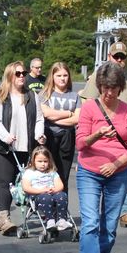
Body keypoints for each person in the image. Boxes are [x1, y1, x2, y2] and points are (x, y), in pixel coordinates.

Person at [76, 62, 127, 253]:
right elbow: (80, 143)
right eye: (104, 87)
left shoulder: (126, 111)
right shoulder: (90, 109)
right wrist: (96, 134)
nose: (108, 93)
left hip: (118, 173)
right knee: (91, 223)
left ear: (120, 87)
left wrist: (116, 163)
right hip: (89, 172)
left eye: (113, 88)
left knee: (110, 227)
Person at [81, 42, 127, 228]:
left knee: (126, 170)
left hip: (124, 136)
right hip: (99, 139)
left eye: (122, 57)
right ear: (109, 56)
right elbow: (86, 105)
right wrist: (90, 138)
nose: (119, 60)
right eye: (116, 56)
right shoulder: (99, 76)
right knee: (92, 221)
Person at [0, 60, 46, 235]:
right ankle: (4, 218)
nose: (22, 76)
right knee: (6, 182)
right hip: (2, 147)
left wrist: (38, 135)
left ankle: (33, 215)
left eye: (24, 73)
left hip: (24, 147)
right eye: (18, 73)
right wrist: (6, 136)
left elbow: (39, 119)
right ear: (10, 76)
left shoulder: (32, 95)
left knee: (22, 184)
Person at [39, 61, 80, 190]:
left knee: (63, 175)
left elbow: (77, 118)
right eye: (59, 75)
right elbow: (46, 113)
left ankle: (61, 205)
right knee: (47, 172)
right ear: (53, 77)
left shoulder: (74, 96)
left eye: (65, 75)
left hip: (67, 137)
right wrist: (68, 113)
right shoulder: (45, 94)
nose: (62, 78)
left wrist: (54, 118)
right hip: (49, 136)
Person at [21, 146, 73, 234]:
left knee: (62, 195)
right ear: (33, 161)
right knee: (46, 197)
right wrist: (41, 191)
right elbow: (26, 188)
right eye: (40, 161)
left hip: (52, 193)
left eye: (45, 161)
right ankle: (50, 221)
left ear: (49, 161)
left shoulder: (52, 172)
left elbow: (60, 185)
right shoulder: (29, 173)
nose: (43, 164)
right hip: (37, 196)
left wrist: (54, 190)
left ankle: (61, 220)